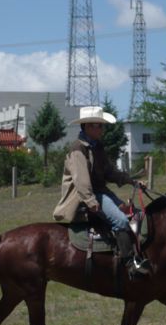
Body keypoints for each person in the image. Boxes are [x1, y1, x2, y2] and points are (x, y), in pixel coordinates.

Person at [53, 106, 152, 277]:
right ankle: (129, 264)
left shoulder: (97, 146)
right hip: (86, 196)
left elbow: (109, 172)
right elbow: (81, 181)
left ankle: (137, 254)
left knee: (135, 215)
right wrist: (91, 202)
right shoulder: (78, 148)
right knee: (121, 221)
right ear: (88, 127)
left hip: (101, 192)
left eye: (102, 125)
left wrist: (131, 181)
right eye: (99, 125)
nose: (102, 129)